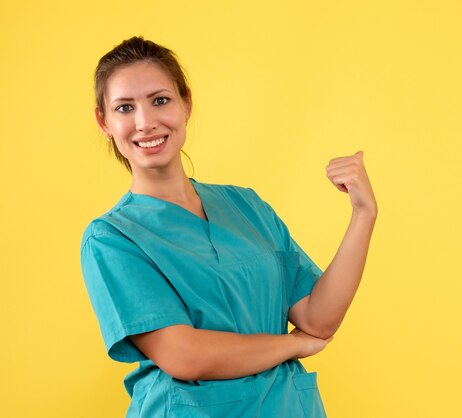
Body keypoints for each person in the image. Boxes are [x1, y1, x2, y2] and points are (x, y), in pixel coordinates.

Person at [80, 36, 377, 418]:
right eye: (124, 107)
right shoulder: (113, 239)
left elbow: (318, 319)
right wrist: (292, 346)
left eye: (160, 100)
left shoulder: (245, 206)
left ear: (186, 103)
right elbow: (183, 356)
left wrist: (363, 214)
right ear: (104, 121)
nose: (145, 122)